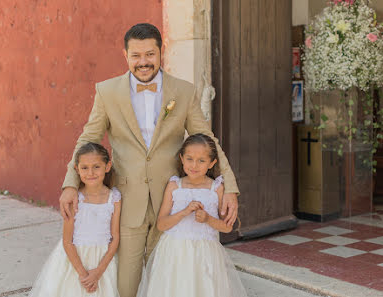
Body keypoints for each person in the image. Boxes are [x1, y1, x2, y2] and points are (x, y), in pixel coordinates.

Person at [59, 23, 241, 297]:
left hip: (171, 204)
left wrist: (230, 186)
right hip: (128, 200)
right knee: (126, 285)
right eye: (136, 55)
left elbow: (207, 138)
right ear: (126, 55)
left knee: (166, 282)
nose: (143, 62)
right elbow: (89, 139)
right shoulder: (107, 92)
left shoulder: (183, 91)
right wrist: (70, 184)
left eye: (149, 55)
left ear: (160, 52)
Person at [136, 134, 247, 297]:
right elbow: (161, 224)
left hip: (205, 253)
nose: (194, 165)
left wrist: (208, 219)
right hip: (175, 251)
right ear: (181, 158)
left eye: (201, 160)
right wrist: (184, 212)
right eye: (189, 159)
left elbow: (227, 227)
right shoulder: (174, 185)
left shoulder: (216, 188)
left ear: (212, 163)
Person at [30, 143, 121, 297]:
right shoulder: (74, 199)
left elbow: (115, 236)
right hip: (75, 262)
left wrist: (98, 272)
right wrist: (83, 274)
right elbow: (67, 241)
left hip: (103, 262)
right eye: (84, 167)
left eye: (96, 167)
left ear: (107, 166)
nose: (90, 172)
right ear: (77, 169)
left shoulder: (114, 198)